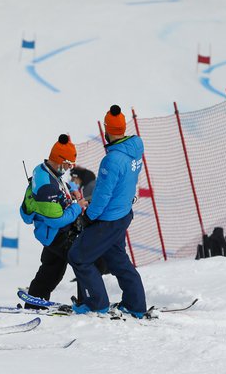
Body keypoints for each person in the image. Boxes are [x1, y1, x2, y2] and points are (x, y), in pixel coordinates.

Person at [68, 105, 147, 318]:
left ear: (107, 129)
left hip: (108, 218)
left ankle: (96, 304)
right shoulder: (135, 147)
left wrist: (89, 217)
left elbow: (103, 195)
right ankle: (135, 304)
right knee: (117, 259)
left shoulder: (112, 160)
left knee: (78, 256)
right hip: (123, 213)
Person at [20, 134, 87, 308]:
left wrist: (71, 190)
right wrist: (77, 207)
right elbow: (57, 220)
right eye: (68, 164)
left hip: (51, 234)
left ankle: (35, 301)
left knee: (52, 268)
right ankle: (87, 302)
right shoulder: (46, 187)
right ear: (60, 160)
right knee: (83, 260)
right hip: (57, 233)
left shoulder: (44, 169)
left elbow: (60, 183)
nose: (69, 168)